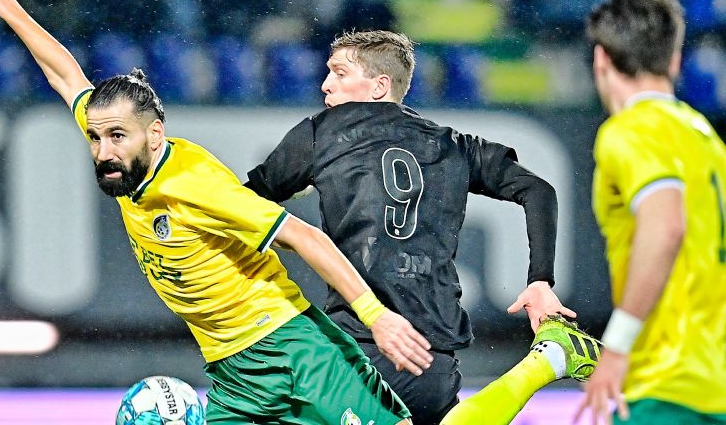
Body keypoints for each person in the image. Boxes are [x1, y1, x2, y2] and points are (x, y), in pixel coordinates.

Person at [0, 0, 433, 425]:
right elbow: (65, 77)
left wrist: (378, 319)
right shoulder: (119, 147)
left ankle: (515, 373)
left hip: (295, 351)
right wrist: (8, 8)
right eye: (96, 138)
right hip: (232, 371)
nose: (103, 151)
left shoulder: (196, 184)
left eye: (117, 137)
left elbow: (305, 237)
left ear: (154, 134)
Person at [244, 28, 598, 424]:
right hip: (431, 352)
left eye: (340, 73)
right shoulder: (452, 144)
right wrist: (540, 279)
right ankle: (546, 362)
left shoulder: (322, 133)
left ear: (379, 86)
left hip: (360, 344)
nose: (326, 85)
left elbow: (239, 204)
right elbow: (538, 189)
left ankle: (546, 364)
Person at [574, 0, 726, 424]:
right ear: (675, 60)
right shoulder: (707, 139)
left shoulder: (630, 130)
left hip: (663, 388)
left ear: (601, 57)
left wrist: (617, 347)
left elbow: (666, 225)